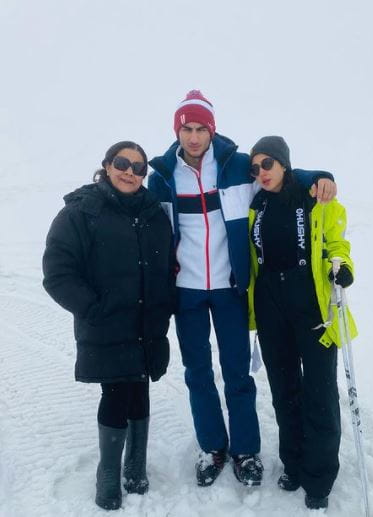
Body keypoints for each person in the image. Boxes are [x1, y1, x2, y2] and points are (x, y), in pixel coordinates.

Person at [148, 90, 337, 488]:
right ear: (177, 130)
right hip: (187, 291)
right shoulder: (162, 177)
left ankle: (246, 450)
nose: (194, 137)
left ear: (212, 130)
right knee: (197, 372)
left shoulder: (236, 167)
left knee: (237, 372)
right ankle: (212, 447)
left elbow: (282, 179)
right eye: (187, 128)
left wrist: (320, 178)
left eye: (201, 128)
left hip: (231, 286)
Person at [42, 141, 175, 510]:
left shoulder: (153, 213)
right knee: (115, 393)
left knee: (140, 387)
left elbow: (165, 266)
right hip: (106, 323)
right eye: (122, 163)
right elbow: (58, 272)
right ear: (106, 165)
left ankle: (136, 464)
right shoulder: (81, 212)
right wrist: (92, 308)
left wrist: (165, 305)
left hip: (147, 322)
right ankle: (109, 472)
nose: (130, 172)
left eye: (138, 167)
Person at [247, 136, 357, 510]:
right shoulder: (255, 204)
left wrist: (342, 269)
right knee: (284, 389)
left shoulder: (316, 199)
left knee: (320, 392)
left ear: (283, 164)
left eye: (267, 164)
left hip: (311, 305)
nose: (261, 172)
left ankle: (320, 475)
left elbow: (337, 245)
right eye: (255, 167)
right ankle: (293, 462)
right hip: (269, 303)